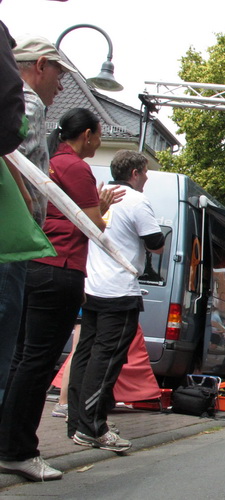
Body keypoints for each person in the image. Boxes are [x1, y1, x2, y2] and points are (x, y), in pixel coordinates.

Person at [0, 108, 116, 482]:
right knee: (37, 363)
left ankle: (8, 441)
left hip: (32, 263)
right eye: (99, 135)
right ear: (87, 135)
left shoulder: (48, 161)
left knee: (21, 360)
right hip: (61, 267)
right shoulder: (76, 168)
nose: (99, 142)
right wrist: (104, 208)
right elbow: (92, 225)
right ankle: (18, 449)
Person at [67, 150, 164, 451]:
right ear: (134, 173)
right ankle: (93, 427)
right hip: (119, 289)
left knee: (85, 355)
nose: (146, 177)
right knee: (106, 360)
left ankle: (78, 422)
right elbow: (156, 244)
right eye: (145, 172)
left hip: (91, 286)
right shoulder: (135, 200)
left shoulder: (97, 195)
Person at [0, 34, 75, 418]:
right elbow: (8, 150)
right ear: (40, 66)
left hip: (15, 238)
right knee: (7, 338)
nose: (61, 87)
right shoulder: (26, 102)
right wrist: (26, 200)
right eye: (59, 76)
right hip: (13, 237)